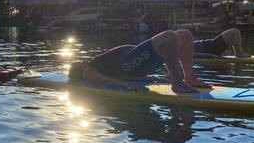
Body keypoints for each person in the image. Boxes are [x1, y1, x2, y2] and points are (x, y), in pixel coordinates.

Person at [69, 29, 211, 94]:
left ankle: (190, 78)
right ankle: (177, 82)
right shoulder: (88, 71)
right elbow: (108, 81)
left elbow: (120, 75)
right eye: (78, 62)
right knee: (169, 36)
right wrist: (129, 87)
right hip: (132, 61)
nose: (81, 60)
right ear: (78, 69)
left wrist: (148, 78)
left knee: (185, 35)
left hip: (137, 61)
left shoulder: (98, 65)